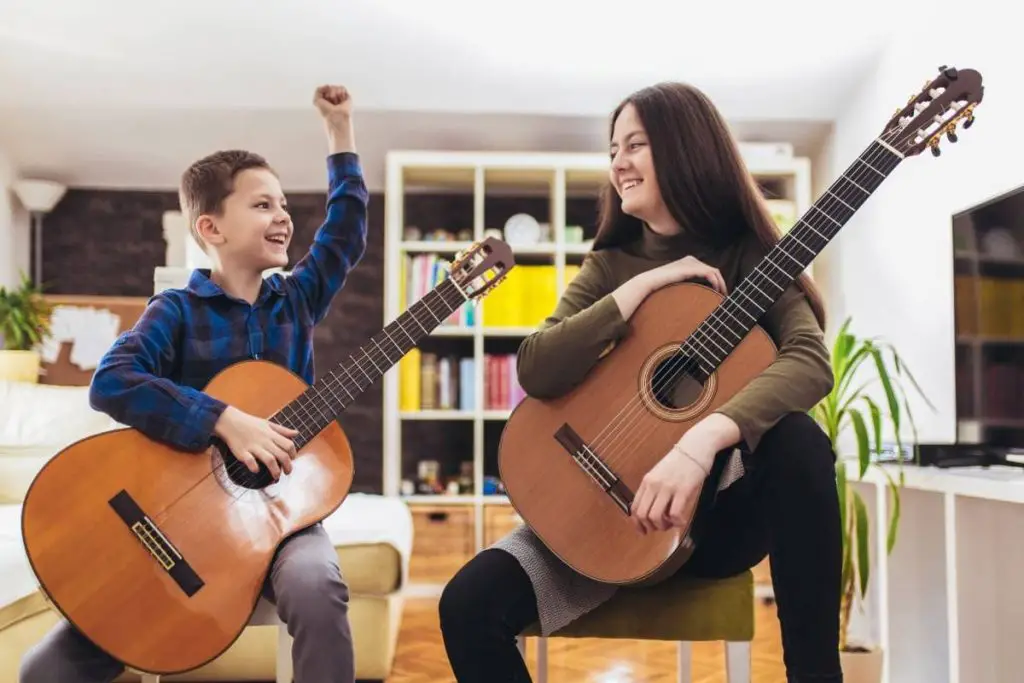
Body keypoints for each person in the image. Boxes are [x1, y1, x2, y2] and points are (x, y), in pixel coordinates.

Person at [439, 81, 844, 683]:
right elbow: (537, 366)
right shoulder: (609, 265)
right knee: (466, 606)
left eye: (636, 144)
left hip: (713, 522)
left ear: (687, 148)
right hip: (601, 511)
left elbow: (810, 359)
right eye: (612, 150)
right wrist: (641, 289)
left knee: (800, 440)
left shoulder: (754, 255)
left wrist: (699, 442)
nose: (618, 163)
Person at [19, 84, 368, 683]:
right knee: (42, 672)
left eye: (283, 204)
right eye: (261, 205)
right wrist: (224, 420)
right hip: (173, 517)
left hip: (281, 516)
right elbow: (112, 381)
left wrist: (340, 132)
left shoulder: (297, 301)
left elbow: (346, 231)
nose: (283, 215)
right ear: (211, 227)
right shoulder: (176, 311)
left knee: (318, 586)